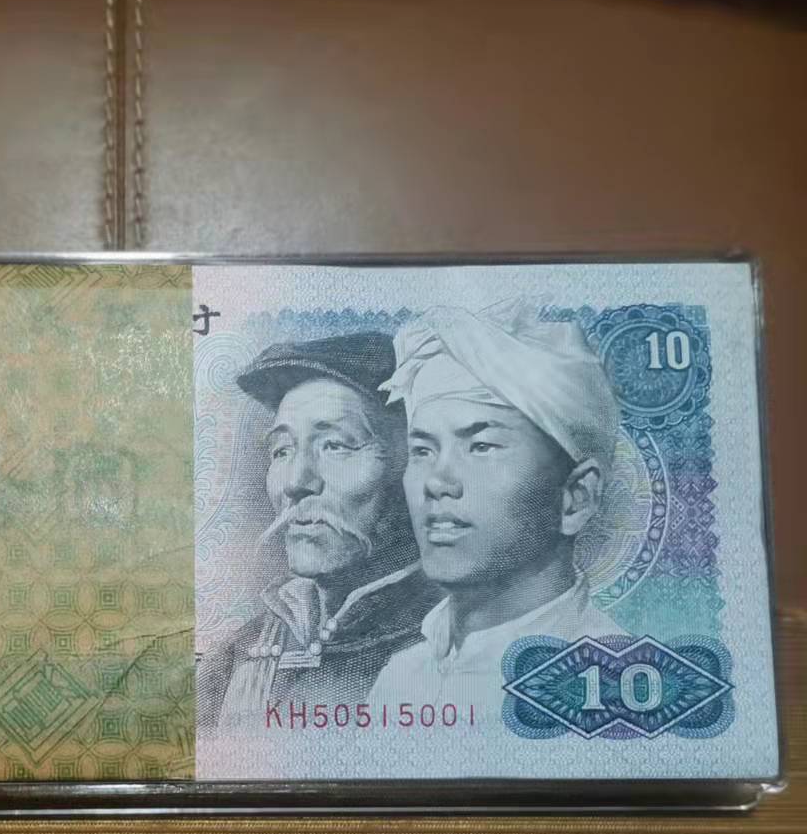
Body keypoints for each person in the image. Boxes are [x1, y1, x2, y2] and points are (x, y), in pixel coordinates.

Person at [369, 302, 627, 709]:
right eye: (422, 450)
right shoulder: (400, 678)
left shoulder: (610, 683)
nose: (436, 482)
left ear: (576, 497)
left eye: (481, 446)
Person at [197, 332, 439, 731]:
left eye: (335, 446)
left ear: (413, 463)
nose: (296, 482)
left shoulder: (457, 642)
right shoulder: (233, 659)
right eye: (282, 450)